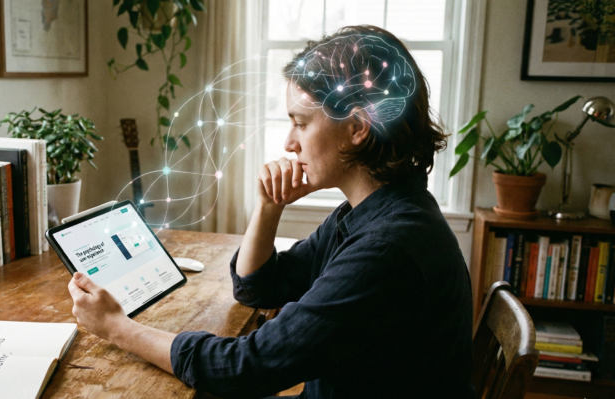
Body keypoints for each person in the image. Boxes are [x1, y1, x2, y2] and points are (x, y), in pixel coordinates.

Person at [68, 25, 474, 398]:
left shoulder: (390, 247)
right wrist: (268, 206)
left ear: (357, 128)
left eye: (300, 123)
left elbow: (244, 368)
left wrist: (116, 328)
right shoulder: (373, 212)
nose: (288, 143)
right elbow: (258, 287)